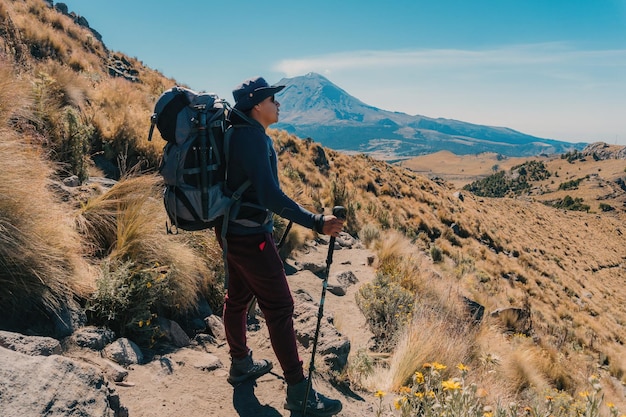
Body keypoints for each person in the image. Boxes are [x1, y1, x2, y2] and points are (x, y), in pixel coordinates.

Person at [216, 76, 343, 417]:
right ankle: (299, 392)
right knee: (281, 307)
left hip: (233, 232)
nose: (279, 104)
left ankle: (241, 364)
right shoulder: (251, 139)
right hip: (251, 237)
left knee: (238, 299)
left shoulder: (240, 131)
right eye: (273, 99)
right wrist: (316, 222)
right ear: (257, 104)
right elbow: (270, 196)